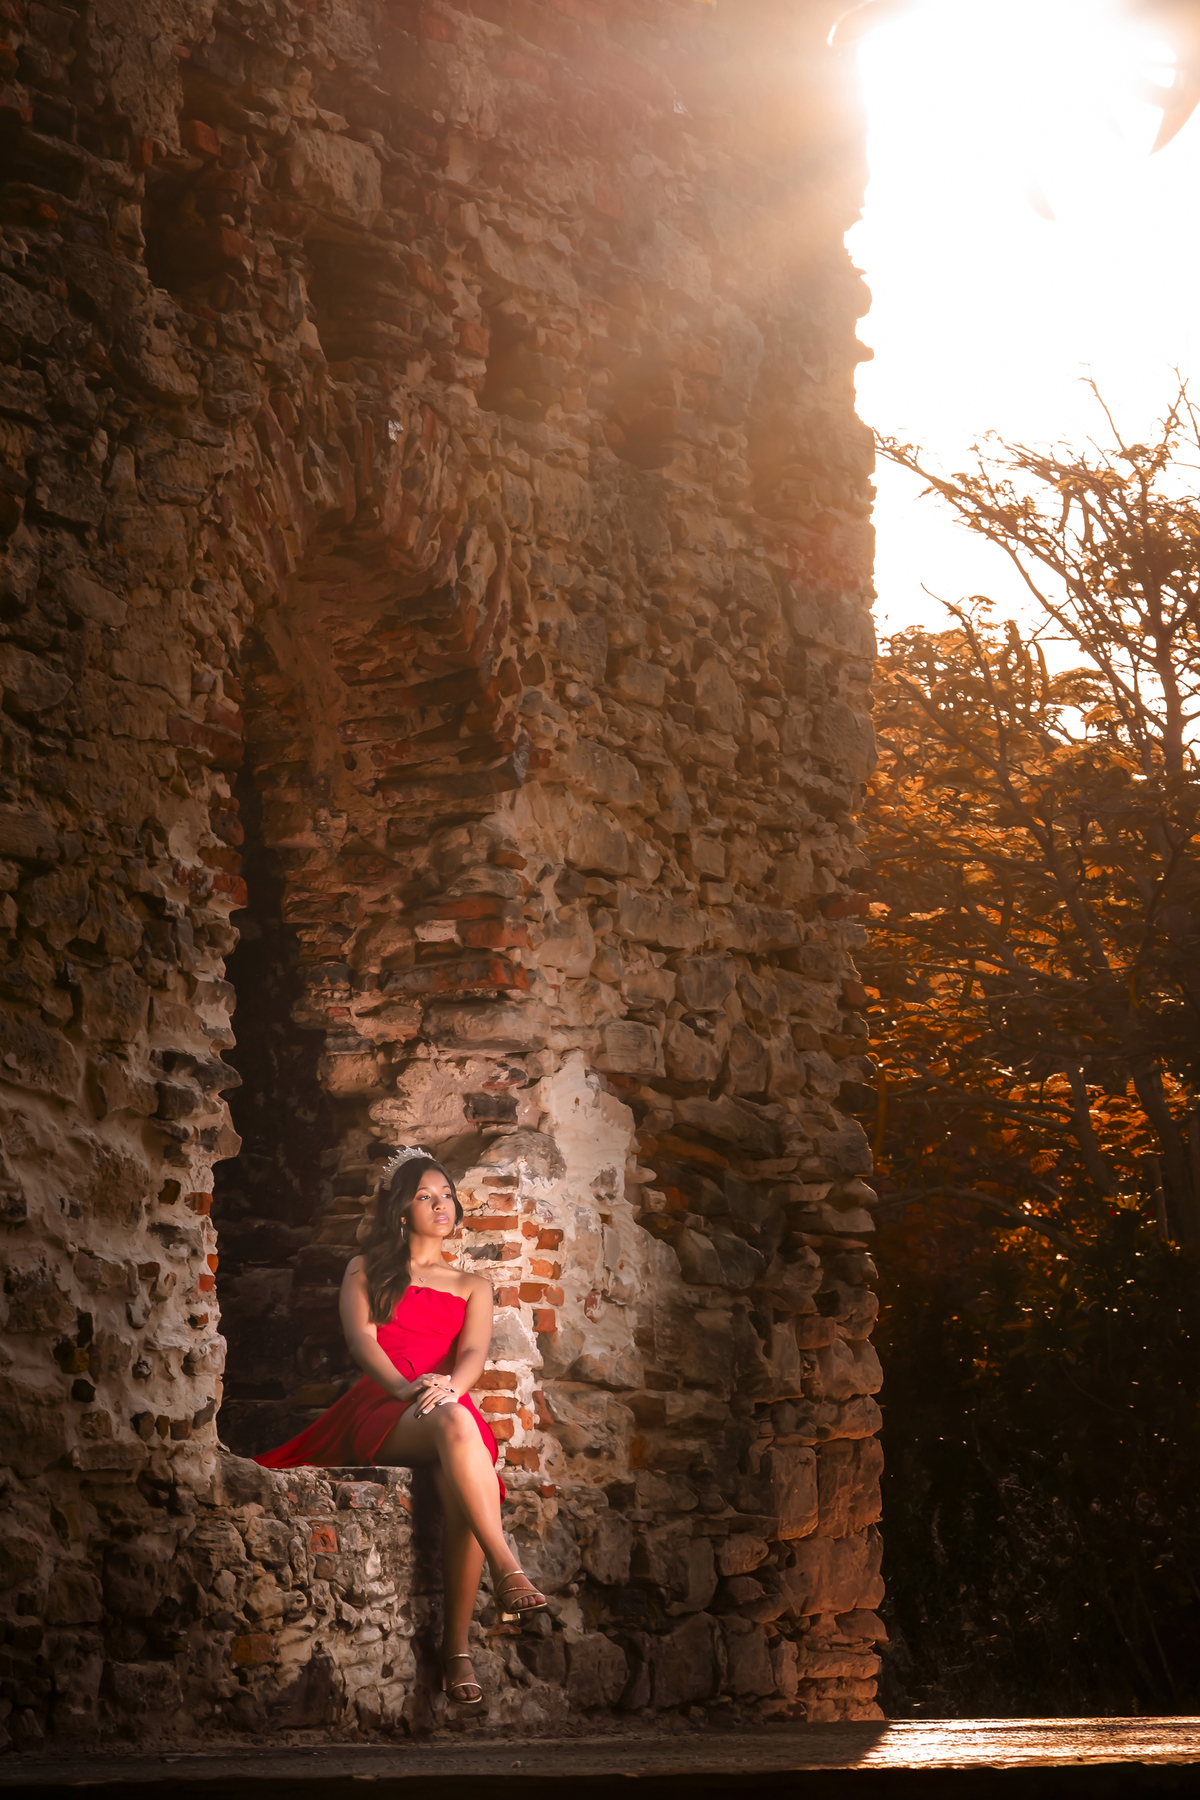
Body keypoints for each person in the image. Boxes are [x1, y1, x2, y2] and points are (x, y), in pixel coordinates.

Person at [255, 1146, 548, 1706]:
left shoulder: (473, 1284)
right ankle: (505, 1569)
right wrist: (403, 1388)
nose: (442, 1205)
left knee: (459, 1454)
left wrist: (451, 1389)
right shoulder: (366, 1269)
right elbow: (361, 1340)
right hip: (387, 1401)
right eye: (425, 1196)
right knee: (457, 1434)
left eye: (447, 1196)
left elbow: (475, 1352)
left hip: (445, 1404)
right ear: (400, 1210)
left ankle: (457, 1651)